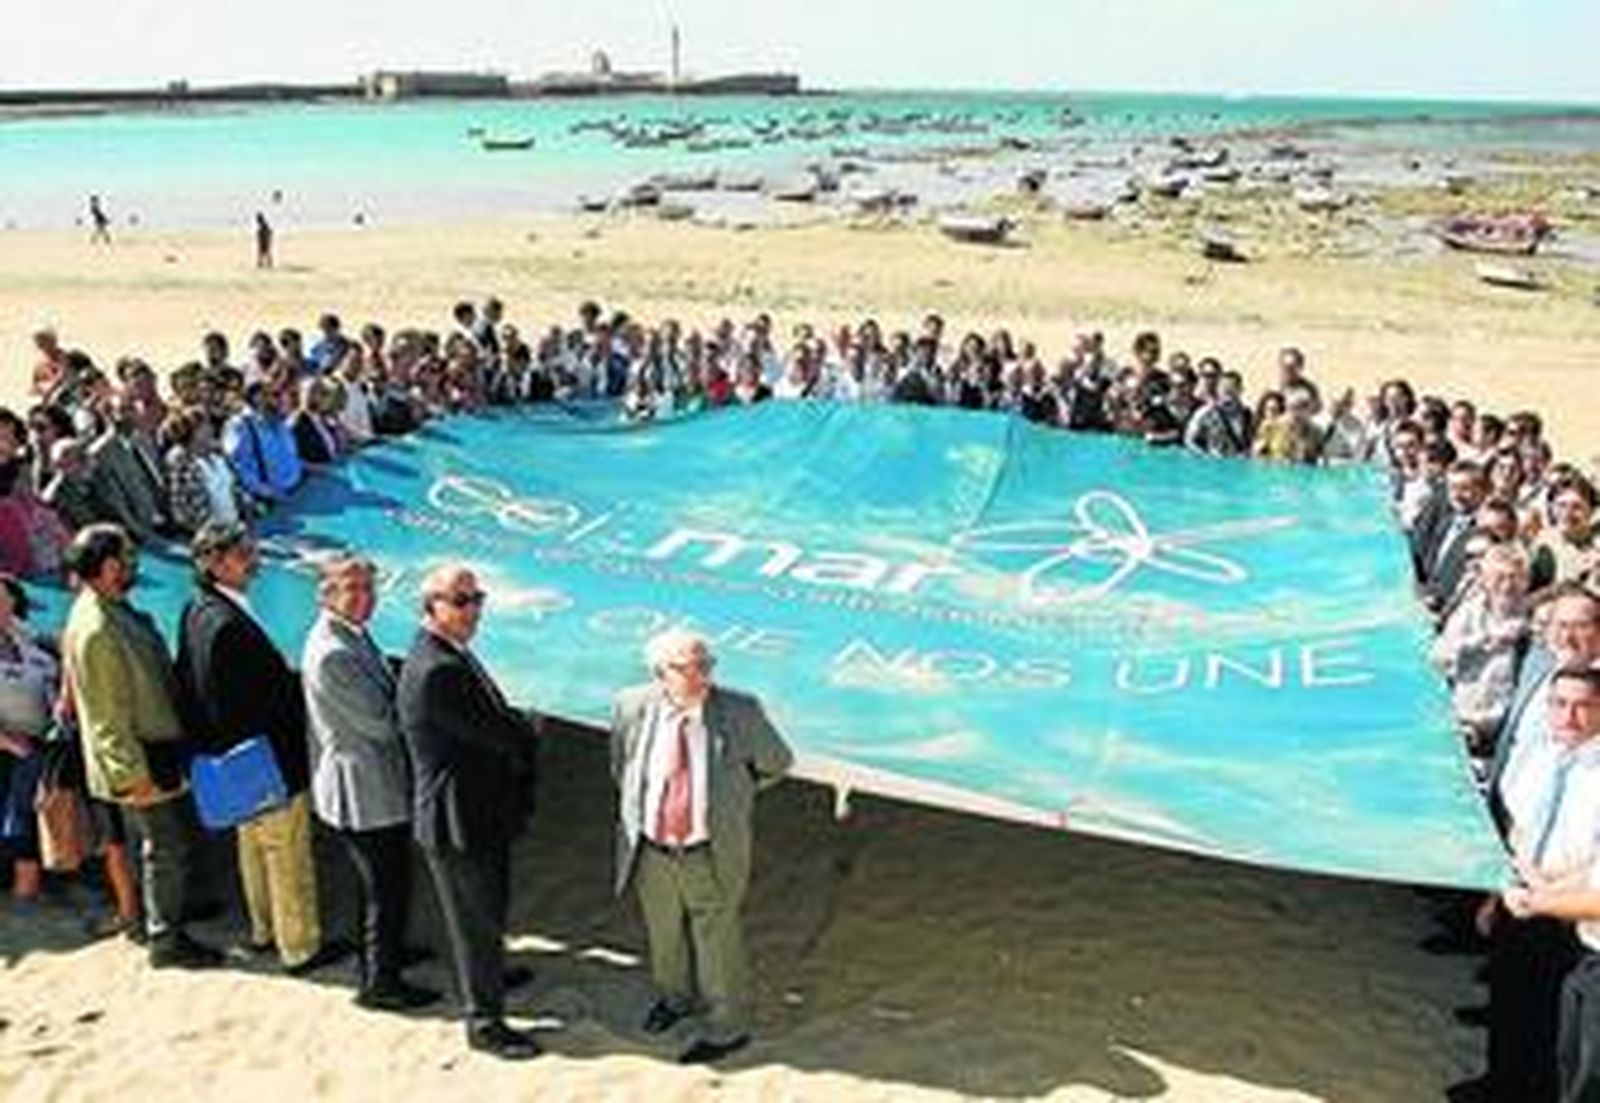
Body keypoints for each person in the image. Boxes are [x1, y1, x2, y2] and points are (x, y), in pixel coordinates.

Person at [609, 627, 793, 1064]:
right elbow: (622, 766)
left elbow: (777, 763)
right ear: (659, 672)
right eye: (684, 668)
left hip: (707, 850)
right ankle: (675, 1001)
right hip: (652, 849)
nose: (697, 677)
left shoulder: (740, 711)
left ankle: (728, 1027)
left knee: (717, 940)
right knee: (663, 933)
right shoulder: (631, 706)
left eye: (705, 666)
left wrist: (733, 799)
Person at [175, 521, 340, 976]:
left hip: (232, 761)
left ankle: (265, 930)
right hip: (265, 759)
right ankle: (300, 946)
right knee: (287, 854)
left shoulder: (197, 610)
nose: (254, 559)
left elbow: (187, 684)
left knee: (254, 849)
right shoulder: (227, 623)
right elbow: (253, 701)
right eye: (242, 553)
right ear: (214, 562)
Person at [397, 565, 541, 1060]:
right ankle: (485, 1022)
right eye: (460, 601)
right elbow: (496, 733)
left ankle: (493, 980)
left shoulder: (447, 655)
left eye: (476, 598)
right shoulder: (438, 669)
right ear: (431, 606)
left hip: (474, 811)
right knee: (474, 922)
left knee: (488, 912)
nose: (472, 609)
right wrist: (524, 732)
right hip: (457, 820)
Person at [61, 524, 219, 968]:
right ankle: (166, 938)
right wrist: (133, 778)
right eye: (127, 556)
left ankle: (172, 912)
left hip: (155, 747)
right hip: (141, 758)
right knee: (163, 849)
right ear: (110, 565)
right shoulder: (97, 628)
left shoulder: (108, 609)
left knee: (168, 845)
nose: (134, 563)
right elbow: (107, 714)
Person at [1458, 665, 1600, 1103]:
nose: (1568, 717)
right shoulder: (1539, 754)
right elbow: (1515, 828)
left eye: (1583, 706)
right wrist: (1495, 892)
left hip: (1572, 918)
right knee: (1509, 1003)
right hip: (1519, 898)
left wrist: (1544, 894)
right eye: (1559, 705)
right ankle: (1499, 1083)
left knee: (1558, 1036)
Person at [302, 555, 438, 1011]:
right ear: (327, 594)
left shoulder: (348, 635)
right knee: (385, 886)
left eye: (369, 588)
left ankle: (386, 954)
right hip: (364, 789)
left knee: (381, 883)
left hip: (368, 782)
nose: (364, 598)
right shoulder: (333, 652)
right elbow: (380, 722)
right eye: (352, 589)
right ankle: (380, 982)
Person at [222, 381, 303, 507]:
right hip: (272, 502)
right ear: (258, 399)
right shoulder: (240, 425)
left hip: (296, 491)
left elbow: (291, 455)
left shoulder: (279, 420)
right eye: (273, 396)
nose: (282, 402)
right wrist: (270, 493)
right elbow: (239, 468)